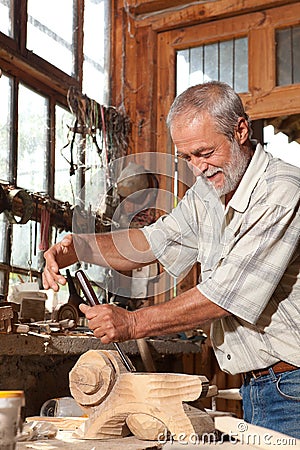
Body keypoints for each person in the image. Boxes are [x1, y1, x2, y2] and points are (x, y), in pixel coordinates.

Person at [43, 81, 300, 439]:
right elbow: (149, 242)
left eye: (205, 152)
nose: (198, 168)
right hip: (258, 386)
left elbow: (224, 295)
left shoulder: (282, 191)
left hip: (293, 389)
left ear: (241, 130)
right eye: (187, 157)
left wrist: (133, 325)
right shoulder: (210, 191)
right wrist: (78, 246)